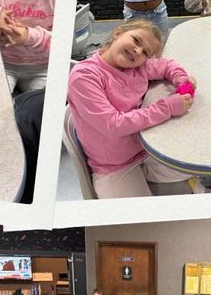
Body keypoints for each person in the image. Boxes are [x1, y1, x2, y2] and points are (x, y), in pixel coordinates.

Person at [67, 19, 196, 198]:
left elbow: (166, 65)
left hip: (145, 149)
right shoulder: (85, 76)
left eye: (145, 52)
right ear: (118, 33)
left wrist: (182, 80)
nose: (137, 51)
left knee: (194, 165)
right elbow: (113, 125)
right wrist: (168, 107)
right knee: (140, 222)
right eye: (136, 40)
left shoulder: (136, 66)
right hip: (114, 165)